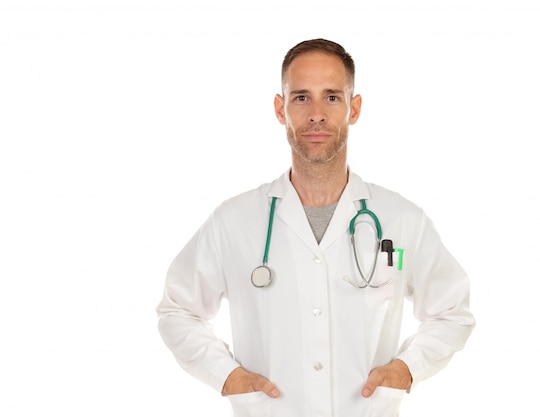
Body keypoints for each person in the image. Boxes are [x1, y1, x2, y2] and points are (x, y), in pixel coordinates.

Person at [156, 38, 475, 417]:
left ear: (354, 109)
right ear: (281, 109)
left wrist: (407, 369)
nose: (317, 114)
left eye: (332, 97)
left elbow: (452, 311)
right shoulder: (234, 220)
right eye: (302, 97)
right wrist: (226, 376)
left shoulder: (401, 220)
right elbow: (178, 310)